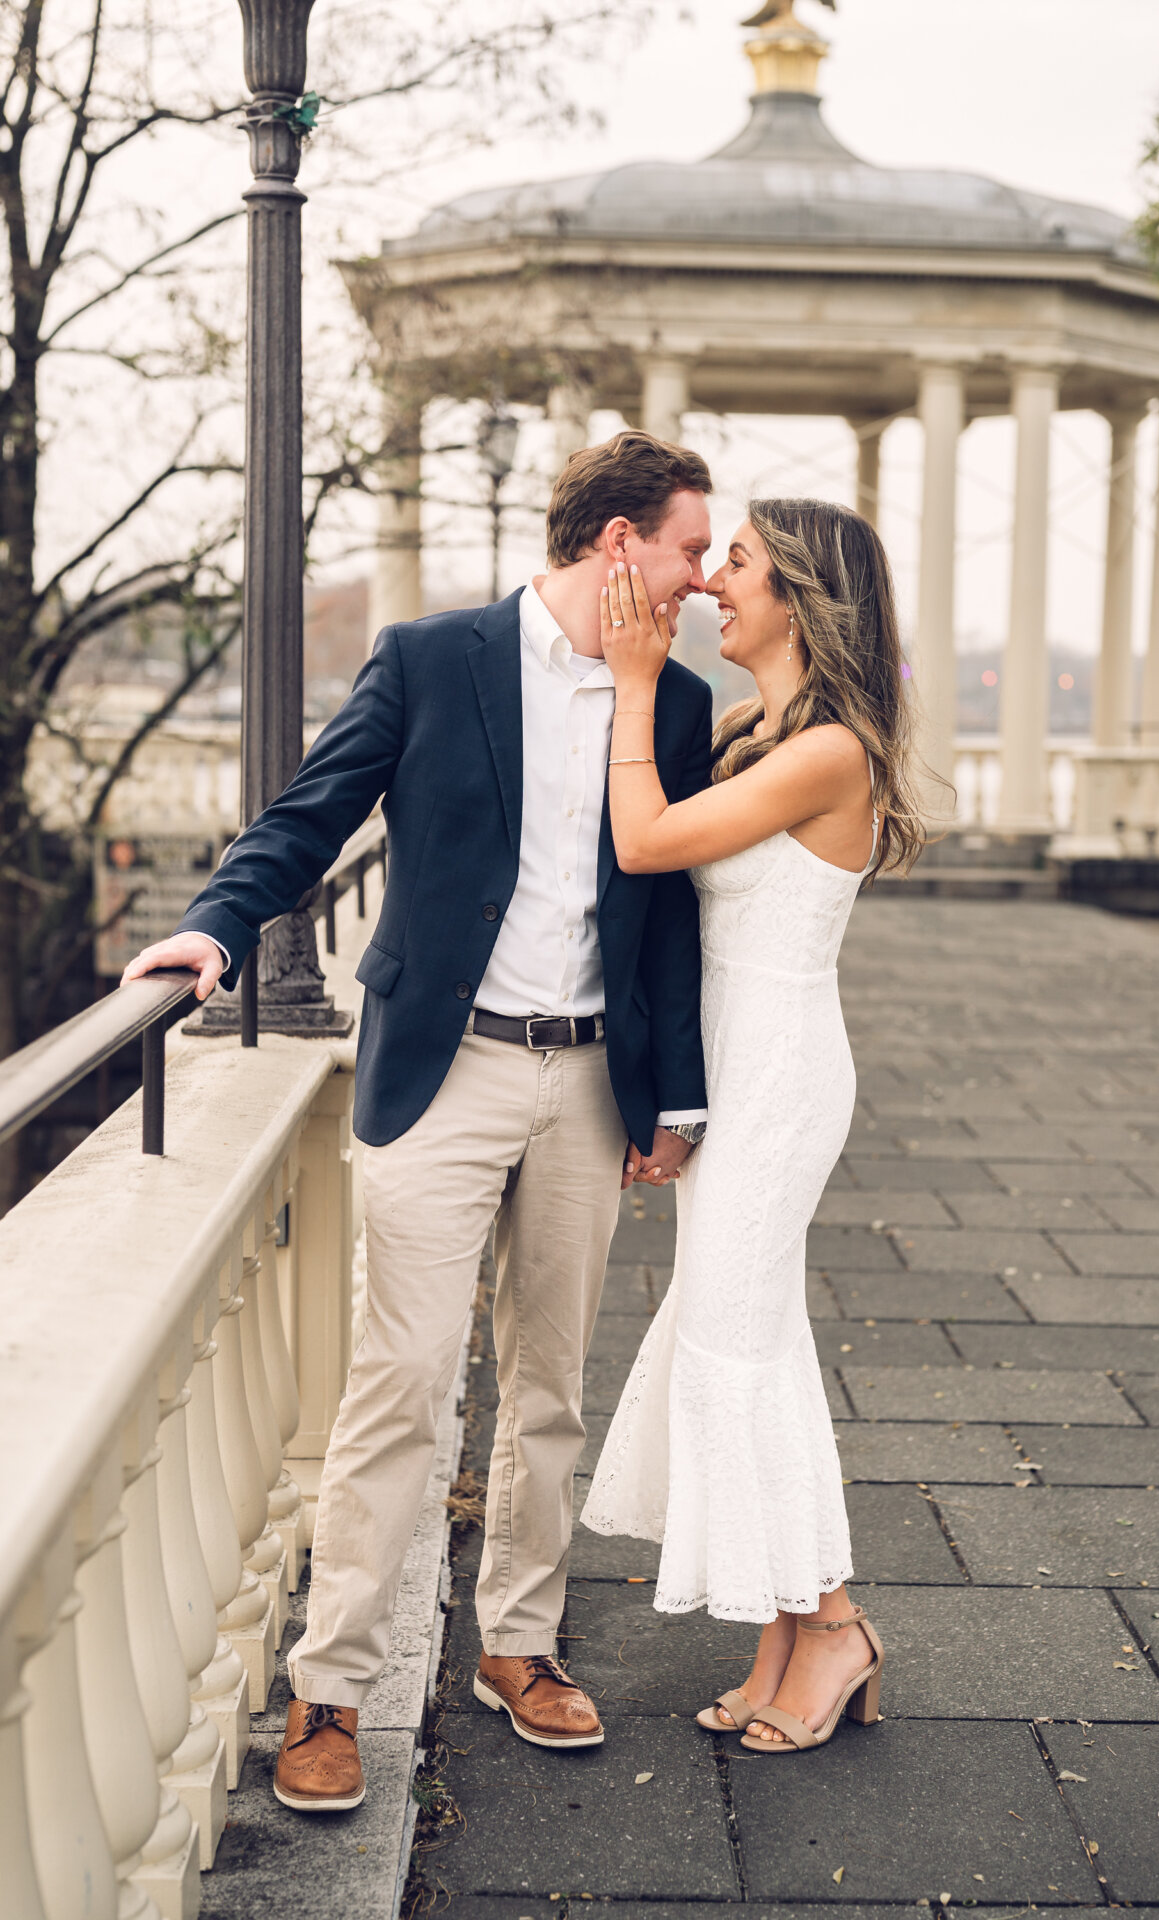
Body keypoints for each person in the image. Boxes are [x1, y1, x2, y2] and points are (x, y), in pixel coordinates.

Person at [122, 429, 716, 1807]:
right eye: (690, 546)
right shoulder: (431, 658)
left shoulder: (675, 707)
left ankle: (520, 1644)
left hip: (588, 1085)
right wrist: (215, 928)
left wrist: (672, 1090)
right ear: (620, 543)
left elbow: (667, 915)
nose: (700, 575)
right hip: (440, 1077)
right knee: (399, 1386)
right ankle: (330, 1689)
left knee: (552, 1385)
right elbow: (311, 813)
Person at [581, 497, 924, 1754]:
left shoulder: (832, 749)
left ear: (800, 596)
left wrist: (630, 682)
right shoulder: (747, 728)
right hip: (727, 1064)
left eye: (737, 563)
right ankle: (787, 1636)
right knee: (749, 1338)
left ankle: (830, 1625)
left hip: (778, 1069)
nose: (716, 580)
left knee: (735, 1339)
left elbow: (646, 839)